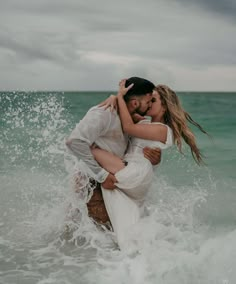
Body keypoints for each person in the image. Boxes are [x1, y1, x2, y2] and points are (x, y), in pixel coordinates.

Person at [91, 79, 208, 249]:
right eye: (148, 98)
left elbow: (128, 127)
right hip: (130, 169)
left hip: (136, 173)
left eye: (153, 100)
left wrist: (119, 95)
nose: (148, 102)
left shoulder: (163, 129)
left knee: (91, 150)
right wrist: (114, 99)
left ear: (165, 106)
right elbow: (120, 115)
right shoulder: (145, 122)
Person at [65, 77, 161, 228]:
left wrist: (153, 159)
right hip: (92, 181)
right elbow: (74, 141)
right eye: (148, 102)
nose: (149, 106)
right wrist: (101, 175)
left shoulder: (130, 120)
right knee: (97, 234)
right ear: (135, 103)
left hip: (112, 181)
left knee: (106, 235)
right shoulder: (104, 113)